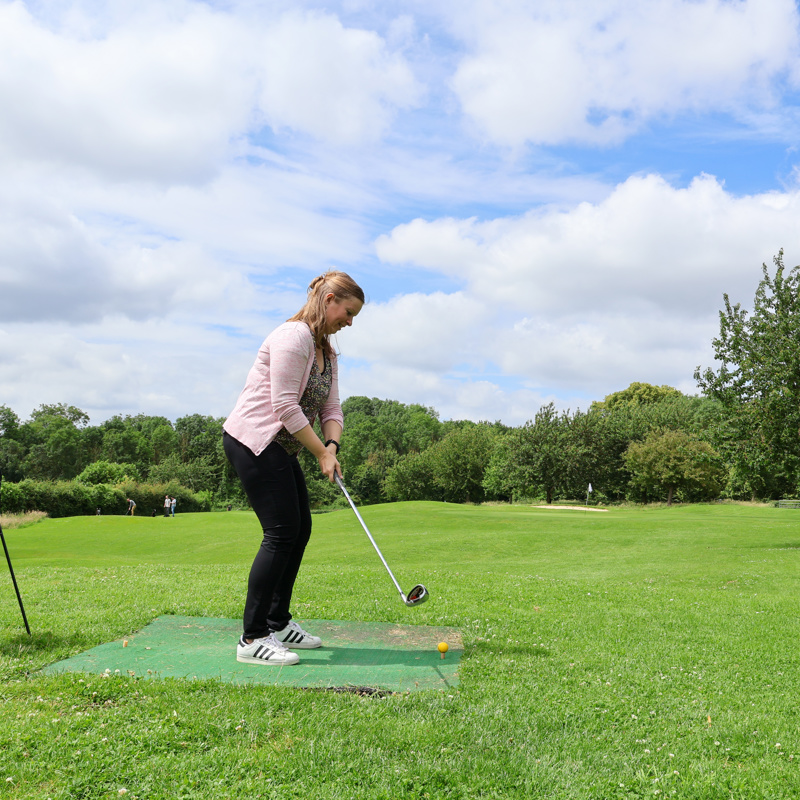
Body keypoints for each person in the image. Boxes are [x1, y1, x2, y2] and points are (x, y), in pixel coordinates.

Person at [223, 270, 364, 666]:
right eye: (348, 313)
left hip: (281, 447)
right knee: (281, 532)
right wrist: (321, 454)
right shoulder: (293, 336)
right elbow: (284, 405)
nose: (349, 322)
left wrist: (331, 446)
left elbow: (331, 409)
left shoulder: (327, 352)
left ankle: (278, 622)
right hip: (253, 440)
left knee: (300, 529)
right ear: (329, 299)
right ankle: (253, 638)